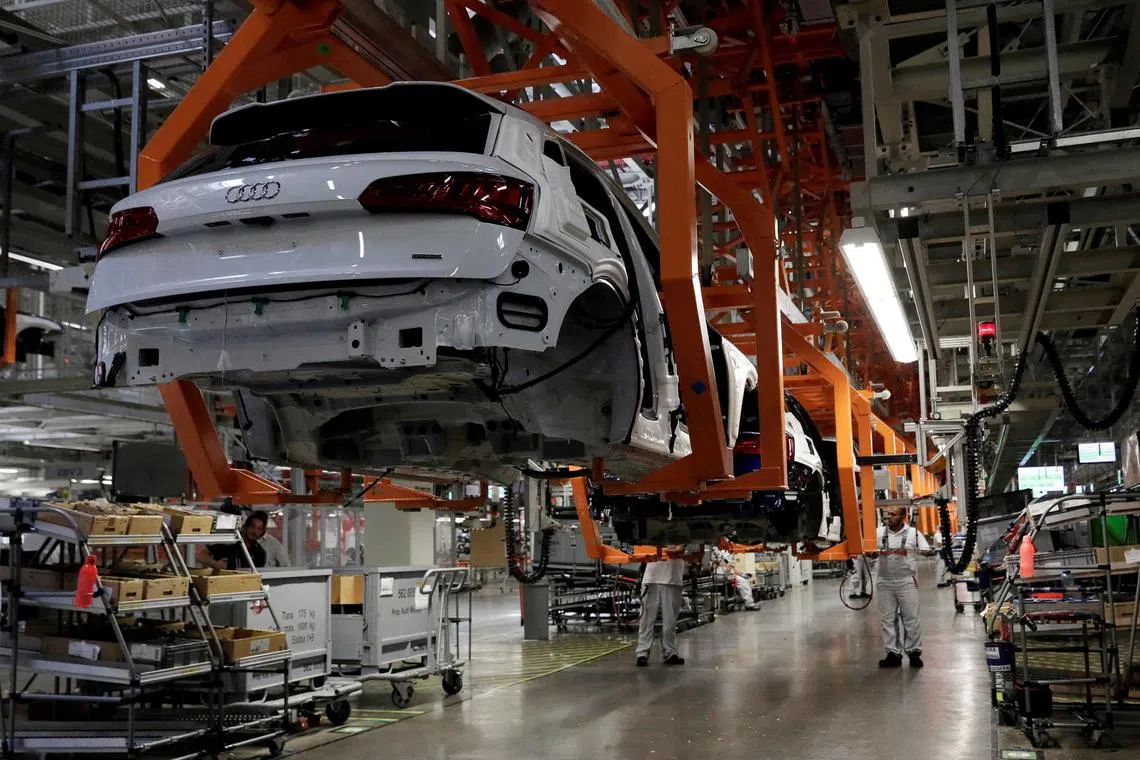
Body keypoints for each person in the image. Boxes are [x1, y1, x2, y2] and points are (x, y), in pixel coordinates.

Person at [875, 506, 935, 669]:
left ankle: (914, 653)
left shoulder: (913, 534)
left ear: (903, 516)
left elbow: (925, 549)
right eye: (888, 515)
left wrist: (928, 552)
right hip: (884, 582)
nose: (889, 518)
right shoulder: (878, 533)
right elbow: (868, 550)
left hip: (906, 582)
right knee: (888, 619)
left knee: (911, 618)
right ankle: (893, 654)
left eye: (893, 514)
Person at [635, 556, 686, 667]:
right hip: (651, 578)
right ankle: (642, 653)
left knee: (670, 621)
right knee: (646, 619)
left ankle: (670, 652)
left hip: (673, 578)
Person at [197, 511, 288, 570]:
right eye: (253, 527)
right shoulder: (230, 543)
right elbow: (201, 555)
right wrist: (215, 564)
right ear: (245, 527)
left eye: (259, 529)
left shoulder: (260, 552)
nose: (255, 532)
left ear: (262, 532)